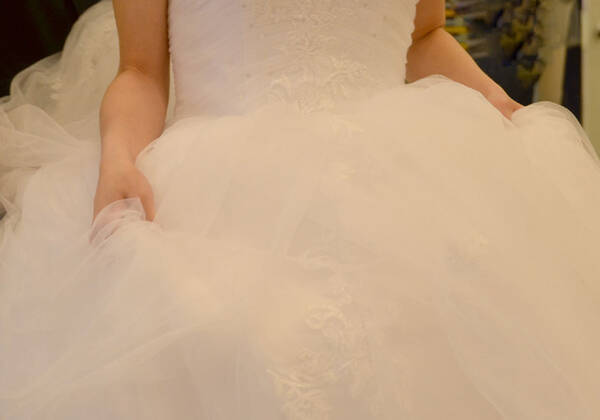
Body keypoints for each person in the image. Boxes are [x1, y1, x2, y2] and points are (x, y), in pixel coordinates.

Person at [1, 0, 599, 418]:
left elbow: (423, 37)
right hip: (224, 200)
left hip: (402, 188)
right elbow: (140, 71)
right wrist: (118, 159)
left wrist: (498, 103)